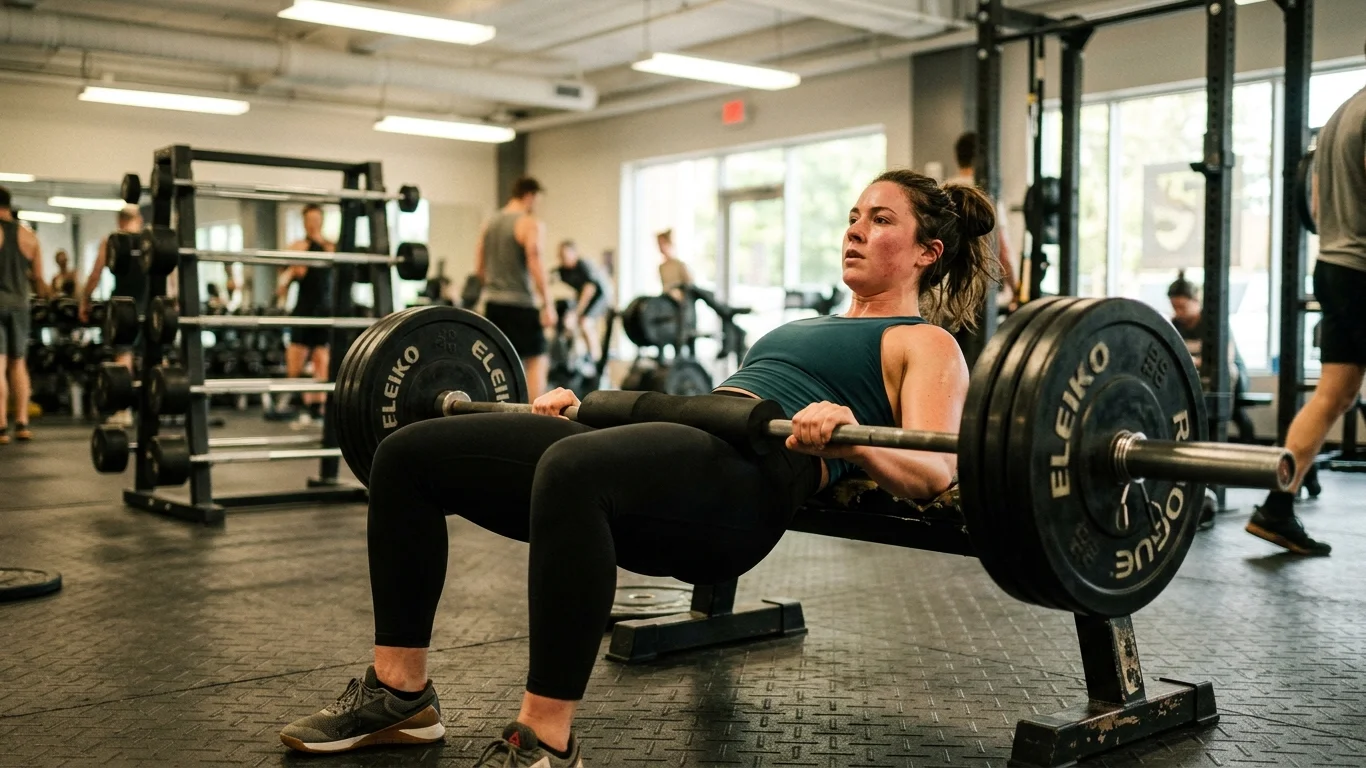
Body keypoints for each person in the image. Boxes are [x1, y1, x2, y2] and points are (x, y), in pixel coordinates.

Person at [278, 169, 997, 764]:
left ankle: (543, 739)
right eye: (852, 216)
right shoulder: (803, 324)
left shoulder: (924, 343)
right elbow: (709, 414)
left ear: (927, 252)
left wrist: (847, 438)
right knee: (406, 456)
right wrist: (580, 413)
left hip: (748, 489)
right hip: (696, 434)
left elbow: (934, 474)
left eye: (879, 220)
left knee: (575, 470)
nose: (854, 229)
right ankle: (401, 697)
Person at [1248, 66, 1366, 557]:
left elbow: (1313, 203)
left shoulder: (1344, 112)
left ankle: (1277, 507)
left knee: (1333, 395)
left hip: (1334, 263)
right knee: (1332, 395)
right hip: (1363, 266)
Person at [476, 177, 555, 400]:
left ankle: (500, 417)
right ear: (529, 195)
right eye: (537, 200)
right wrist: (548, 304)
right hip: (521, 304)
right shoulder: (529, 222)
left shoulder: (489, 223)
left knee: (499, 363)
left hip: (493, 304)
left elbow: (479, 266)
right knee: (537, 360)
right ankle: (533, 419)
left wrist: (492, 288)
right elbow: (534, 258)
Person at [1167, 271, 1255, 442]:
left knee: (1226, 374)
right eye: (1174, 307)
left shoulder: (1213, 321)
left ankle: (1222, 418)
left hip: (1232, 381)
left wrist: (1194, 362)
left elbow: (1225, 359)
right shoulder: (1176, 324)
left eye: (1182, 307)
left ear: (1195, 302)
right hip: (1199, 377)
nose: (1178, 312)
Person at [79, 205, 146, 427]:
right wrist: (172, 302)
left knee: (124, 356)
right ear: (140, 219)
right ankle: (154, 406)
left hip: (123, 306)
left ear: (119, 221)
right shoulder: (152, 241)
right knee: (152, 355)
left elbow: (96, 273)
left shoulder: (111, 241)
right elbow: (170, 276)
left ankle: (123, 410)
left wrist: (85, 299)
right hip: (151, 305)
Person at [276, 204, 335, 425]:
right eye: (308, 220)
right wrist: (283, 286)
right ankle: (298, 404)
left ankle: (315, 409)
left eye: (316, 219)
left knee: (321, 361)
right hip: (303, 310)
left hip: (324, 311)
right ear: (304, 222)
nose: (312, 223)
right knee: (295, 365)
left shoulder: (331, 248)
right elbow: (285, 276)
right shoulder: (297, 246)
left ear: (321, 221)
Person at [946, 132, 1018, 308]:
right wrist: (1016, 291)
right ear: (983, 159)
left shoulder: (943, 191)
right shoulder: (985, 194)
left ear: (957, 157)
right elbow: (1003, 251)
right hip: (977, 295)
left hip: (945, 292)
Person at [0, 186, 46, 444]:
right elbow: (38, 277)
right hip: (20, 305)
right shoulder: (28, 236)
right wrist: (42, 299)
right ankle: (22, 423)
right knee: (18, 364)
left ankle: (1, 427)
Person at [551, 240, 611, 367]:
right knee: (569, 324)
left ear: (573, 253)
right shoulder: (562, 271)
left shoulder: (584, 265)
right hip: (583, 297)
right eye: (560, 255)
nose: (562, 258)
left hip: (600, 297)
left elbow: (589, 290)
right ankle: (575, 357)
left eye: (565, 255)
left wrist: (577, 312)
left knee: (585, 322)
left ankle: (596, 361)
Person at [656, 228, 693, 304]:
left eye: (663, 244)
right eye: (659, 244)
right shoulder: (661, 267)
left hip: (681, 303)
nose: (660, 247)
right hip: (667, 300)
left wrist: (680, 293)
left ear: (669, 243)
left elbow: (690, 284)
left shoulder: (680, 265)